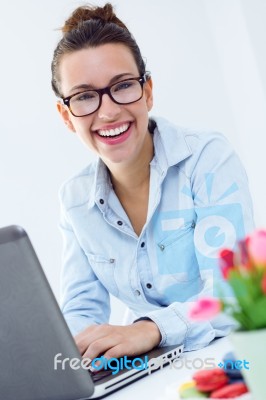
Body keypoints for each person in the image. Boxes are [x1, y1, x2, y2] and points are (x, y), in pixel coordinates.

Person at [51, 3, 254, 362]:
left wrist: (150, 329)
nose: (109, 111)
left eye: (123, 86)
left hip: (235, 357)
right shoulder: (74, 199)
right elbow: (81, 309)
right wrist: (58, 353)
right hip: (151, 372)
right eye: (84, 96)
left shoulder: (207, 158)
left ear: (147, 91)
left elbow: (235, 294)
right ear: (66, 116)